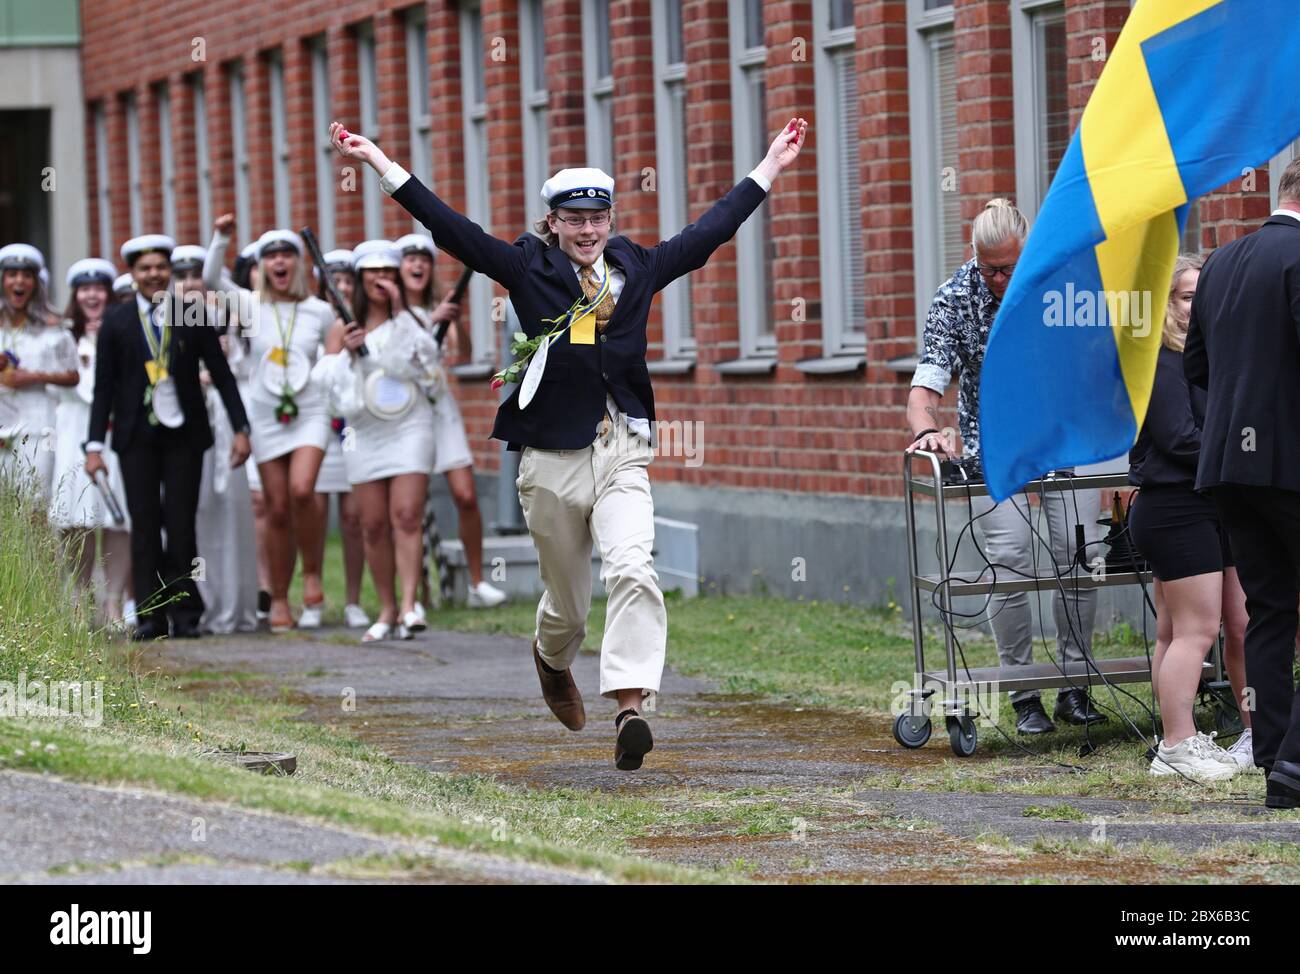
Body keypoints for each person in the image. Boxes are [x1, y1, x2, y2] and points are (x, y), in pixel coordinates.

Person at [331, 114, 808, 770]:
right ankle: (552, 661)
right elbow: (451, 228)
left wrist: (771, 166)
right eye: (574, 219)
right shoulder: (528, 268)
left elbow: (708, 234)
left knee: (635, 567)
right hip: (551, 457)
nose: (588, 231)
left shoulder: (635, 267)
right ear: (552, 222)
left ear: (610, 219)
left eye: (598, 218)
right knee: (569, 605)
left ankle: (630, 704)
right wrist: (378, 159)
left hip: (621, 445)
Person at [906, 199, 1106, 735]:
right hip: (990, 446)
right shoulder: (954, 298)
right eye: (990, 268)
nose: (999, 279)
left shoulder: (1058, 287)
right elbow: (926, 386)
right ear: (973, 256)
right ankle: (1023, 694)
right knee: (1011, 560)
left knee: (1079, 559)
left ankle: (1075, 685)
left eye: (1010, 267)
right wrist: (928, 429)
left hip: (1065, 441)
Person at [1186, 157, 1300, 807]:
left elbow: (1198, 367)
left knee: (1269, 611)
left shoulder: (1222, 264)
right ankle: (1292, 762)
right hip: (1289, 466)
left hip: (1228, 467)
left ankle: (1275, 753)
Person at [85, 234, 252, 640]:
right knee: (144, 525)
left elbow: (223, 373)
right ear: (133, 274)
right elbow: (103, 386)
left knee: (180, 524)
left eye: (161, 267)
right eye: (145, 269)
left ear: (169, 272)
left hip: (185, 435)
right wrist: (93, 446)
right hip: (135, 436)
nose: (154, 275)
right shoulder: (117, 321)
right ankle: (149, 615)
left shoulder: (191, 314)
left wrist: (241, 428)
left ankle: (186, 612)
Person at [1128, 253, 1247, 780]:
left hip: (1213, 503)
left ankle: (1209, 736)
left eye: (1204, 294)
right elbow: (1178, 437)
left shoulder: (1207, 354)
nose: (1197, 305)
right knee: (1195, 632)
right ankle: (1177, 745)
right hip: (1176, 505)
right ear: (1166, 303)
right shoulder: (1160, 358)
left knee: (1189, 628)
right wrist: (1240, 456)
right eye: (1186, 296)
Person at [204, 218, 335, 632]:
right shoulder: (249, 305)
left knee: (302, 490)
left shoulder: (321, 311)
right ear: (262, 265)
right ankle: (279, 598)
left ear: (299, 264)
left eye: (287, 254)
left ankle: (312, 572)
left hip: (309, 412)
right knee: (277, 510)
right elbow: (210, 278)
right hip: (265, 416)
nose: (279, 262)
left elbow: (331, 363)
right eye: (271, 255)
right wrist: (222, 238)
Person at [317, 240, 441, 641]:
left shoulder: (415, 317)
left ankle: (408, 604)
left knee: (405, 515)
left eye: (389, 272)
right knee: (371, 524)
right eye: (373, 272)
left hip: (410, 425)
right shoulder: (343, 327)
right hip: (363, 431)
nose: (382, 280)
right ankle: (386, 608)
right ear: (359, 278)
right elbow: (328, 391)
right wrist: (347, 354)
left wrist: (402, 313)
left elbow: (428, 363)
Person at [395, 232, 506, 610]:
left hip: (440, 408)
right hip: (404, 412)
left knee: (465, 494)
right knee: (408, 509)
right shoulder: (391, 315)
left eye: (424, 259)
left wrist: (450, 319)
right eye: (409, 259)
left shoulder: (438, 307)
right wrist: (429, 325)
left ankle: (476, 582)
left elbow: (462, 355)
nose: (417, 265)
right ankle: (415, 592)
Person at [167, 244, 260, 635]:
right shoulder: (165, 321)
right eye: (182, 277)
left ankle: (233, 604)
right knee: (192, 514)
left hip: (223, 420)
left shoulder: (231, 318)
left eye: (197, 277)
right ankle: (195, 601)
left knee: (231, 513)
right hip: (186, 424)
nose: (191, 285)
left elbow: (235, 375)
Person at [48, 257, 133, 625]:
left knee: (118, 518)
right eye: (85, 289)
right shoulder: (62, 336)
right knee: (76, 518)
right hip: (72, 432)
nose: (92, 295)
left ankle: (113, 602)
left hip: (114, 432)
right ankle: (79, 602)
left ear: (109, 294)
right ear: (76, 295)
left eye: (99, 288)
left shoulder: (124, 331)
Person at [312, 247, 369, 629]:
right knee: (314, 515)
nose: (342, 289)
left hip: (354, 426)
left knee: (353, 517)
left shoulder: (365, 321)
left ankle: (353, 600)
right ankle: (312, 599)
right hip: (318, 425)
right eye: (336, 282)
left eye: (349, 281)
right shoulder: (312, 319)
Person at [0, 244, 79, 502]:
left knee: (36, 504)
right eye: (12, 274)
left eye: (26, 275)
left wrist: (35, 376)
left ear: (36, 283)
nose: (19, 281)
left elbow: (72, 375)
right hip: (2, 427)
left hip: (38, 429)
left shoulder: (53, 328)